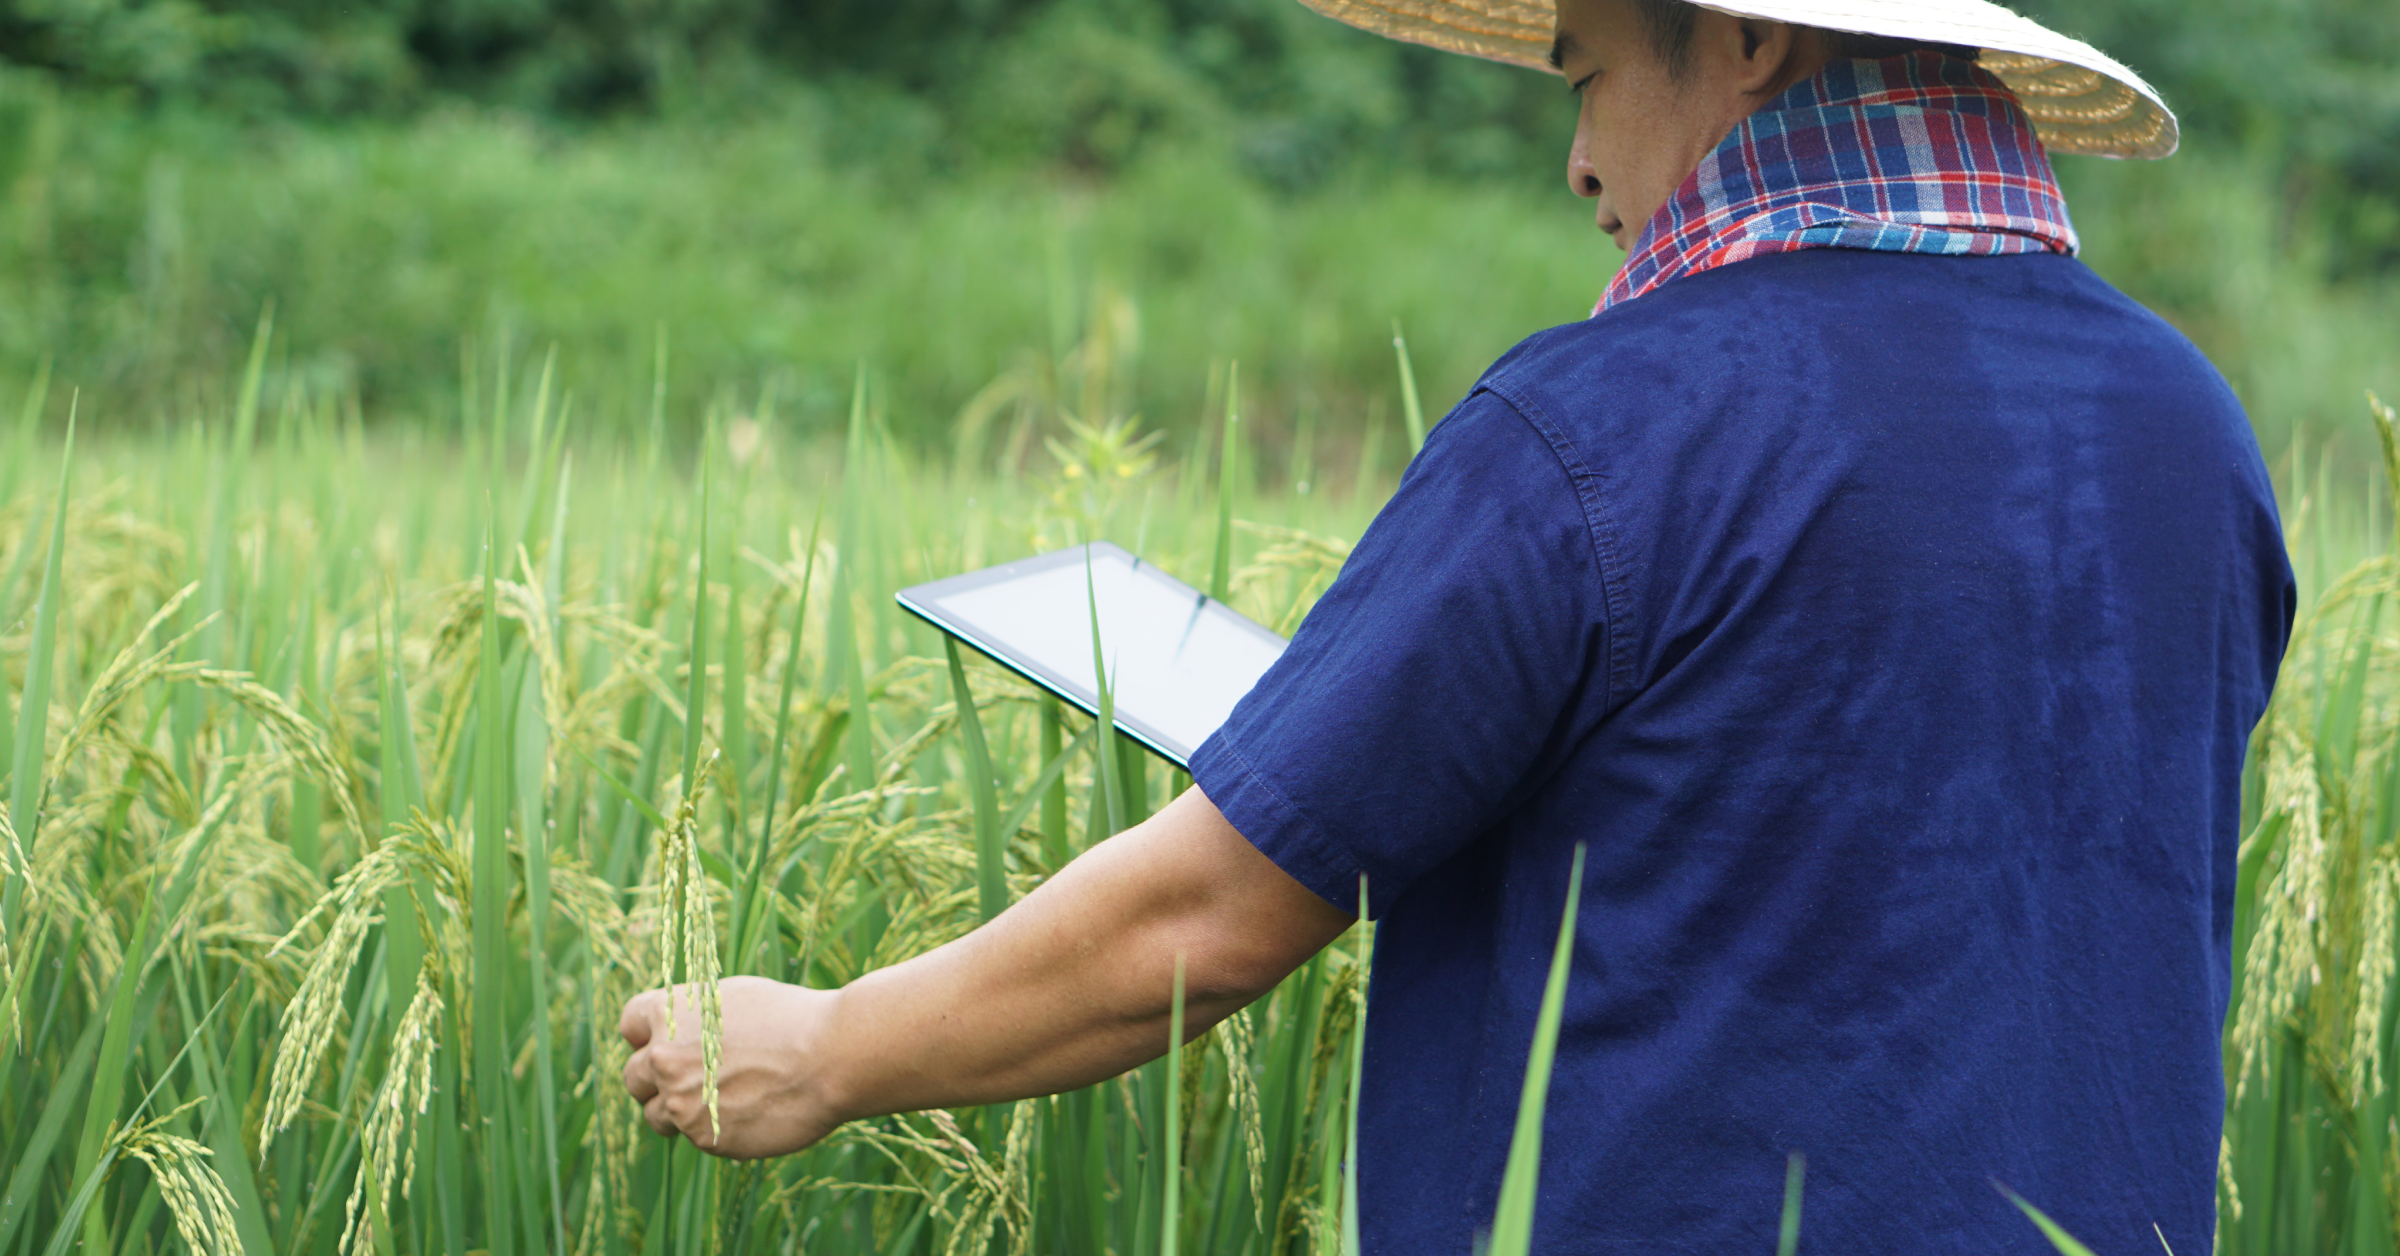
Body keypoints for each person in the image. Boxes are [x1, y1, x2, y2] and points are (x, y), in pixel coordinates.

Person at [619, 0, 2297, 1249]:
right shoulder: (2192, 427)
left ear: (1741, 42)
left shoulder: (1612, 420)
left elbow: (1202, 914)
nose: (1577, 161)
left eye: (1584, 73)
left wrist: (829, 1048)